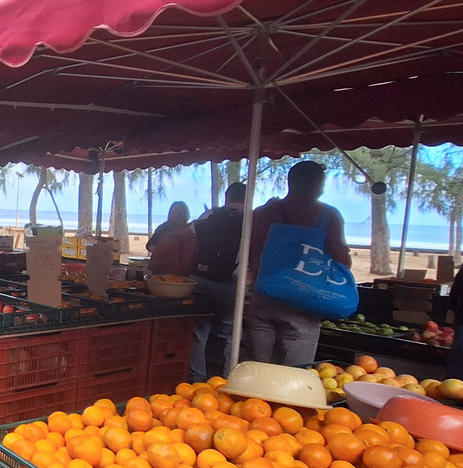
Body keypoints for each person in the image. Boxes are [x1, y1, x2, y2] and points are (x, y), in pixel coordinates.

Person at [246, 160, 350, 366]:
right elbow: (342, 261)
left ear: (290, 182)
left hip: (264, 293)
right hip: (303, 300)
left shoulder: (263, 213)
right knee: (295, 373)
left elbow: (252, 252)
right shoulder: (328, 216)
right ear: (318, 184)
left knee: (257, 368)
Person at [187, 182, 246, 382]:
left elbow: (190, 236)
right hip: (232, 285)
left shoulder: (212, 214)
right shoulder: (252, 219)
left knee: (199, 332)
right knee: (229, 333)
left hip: (202, 281)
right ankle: (228, 380)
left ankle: (197, 380)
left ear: (227, 197)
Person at [146, 201, 195, 276]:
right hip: (161, 269)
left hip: (182, 271)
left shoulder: (189, 230)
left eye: (179, 213)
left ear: (185, 215)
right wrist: (163, 250)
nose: (176, 215)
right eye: (173, 212)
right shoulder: (163, 227)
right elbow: (149, 245)